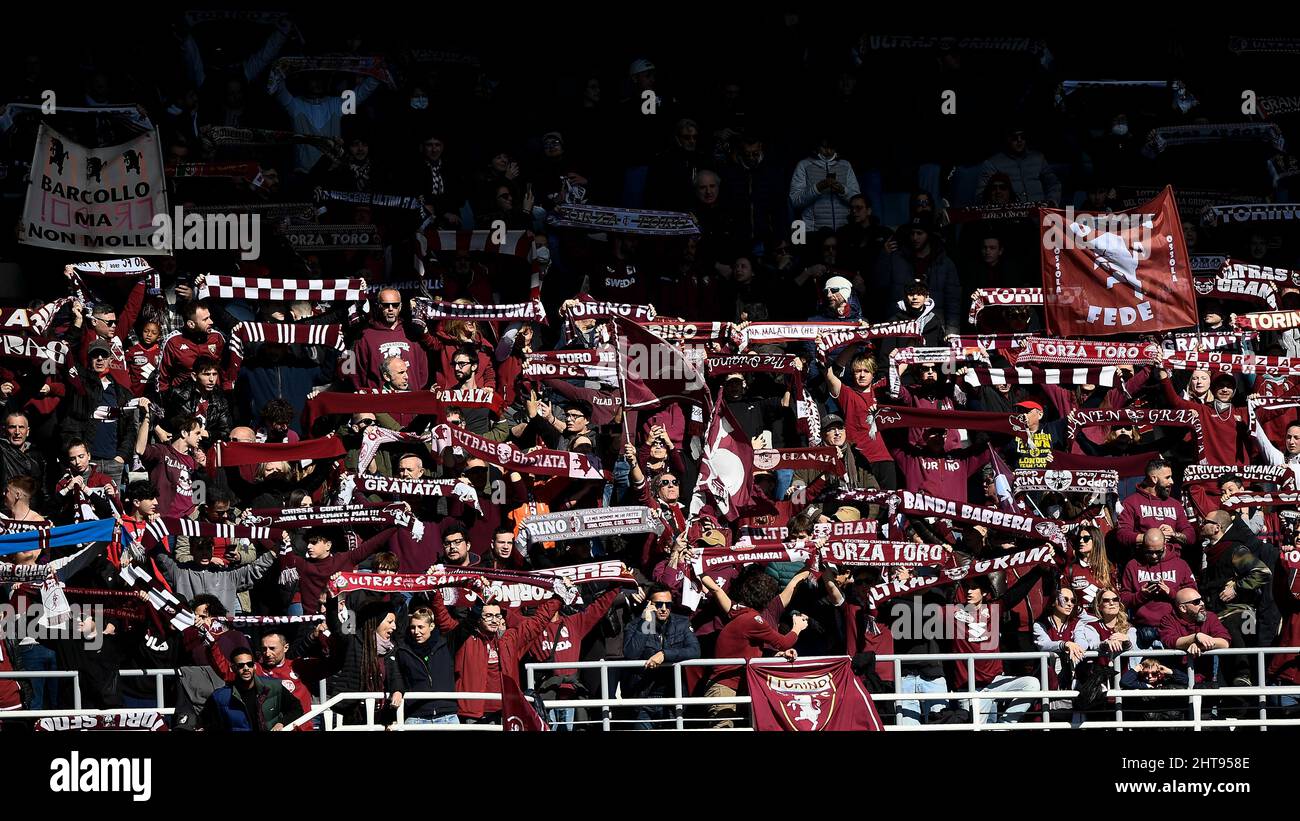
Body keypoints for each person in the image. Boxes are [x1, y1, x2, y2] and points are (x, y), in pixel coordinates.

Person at [623, 583, 701, 729]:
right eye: (659, 604)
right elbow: (630, 654)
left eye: (668, 604)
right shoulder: (636, 625)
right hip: (643, 699)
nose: (664, 609)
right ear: (649, 604)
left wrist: (665, 654)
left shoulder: (682, 623)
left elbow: (695, 650)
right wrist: (646, 622)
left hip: (672, 698)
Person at [1119, 528, 1198, 648]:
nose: (1154, 556)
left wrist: (1170, 592)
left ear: (1165, 545)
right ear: (1143, 547)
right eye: (1149, 552)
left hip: (1173, 627)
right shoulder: (1133, 565)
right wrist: (1141, 595)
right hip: (1143, 628)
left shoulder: (1180, 564)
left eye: (1158, 552)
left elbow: (1194, 596)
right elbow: (1123, 599)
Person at [204, 648, 305, 731]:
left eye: (250, 664)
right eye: (241, 665)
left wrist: (282, 723)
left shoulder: (273, 686)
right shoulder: (220, 696)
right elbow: (207, 724)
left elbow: (297, 709)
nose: (246, 668)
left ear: (255, 666)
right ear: (233, 668)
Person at [1116, 459, 1196, 555]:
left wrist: (1173, 534)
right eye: (1168, 477)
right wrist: (1153, 537)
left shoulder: (1175, 504)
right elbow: (1122, 535)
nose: (1172, 481)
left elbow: (1191, 536)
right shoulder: (1131, 502)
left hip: (1173, 563)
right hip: (1142, 564)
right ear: (1154, 479)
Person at [396, 608, 460, 726]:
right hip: (415, 718)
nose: (416, 631)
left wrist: (478, 605)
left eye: (421, 627)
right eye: (412, 627)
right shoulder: (403, 650)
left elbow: (466, 626)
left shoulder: (446, 644)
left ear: (431, 626)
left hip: (447, 717)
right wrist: (397, 690)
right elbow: (397, 676)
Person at [1158, 587, 1232, 685]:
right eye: (1196, 602)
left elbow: (1224, 642)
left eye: (1201, 600)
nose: (1202, 603)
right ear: (1183, 608)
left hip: (1207, 678)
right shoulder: (1168, 620)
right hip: (1178, 678)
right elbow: (1171, 641)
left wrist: (1199, 644)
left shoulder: (1210, 617)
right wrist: (1195, 637)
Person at [789, 135, 860, 232]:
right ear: (817, 146)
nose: (828, 151)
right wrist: (817, 188)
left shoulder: (845, 165)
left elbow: (858, 199)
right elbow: (795, 201)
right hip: (814, 231)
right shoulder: (803, 165)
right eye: (825, 147)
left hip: (844, 229)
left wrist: (843, 191)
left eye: (832, 148)